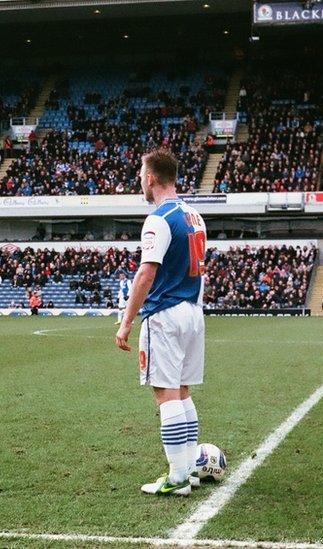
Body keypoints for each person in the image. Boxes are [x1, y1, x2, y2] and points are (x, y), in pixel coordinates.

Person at [114, 149, 207, 497]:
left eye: (141, 173)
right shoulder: (194, 215)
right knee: (182, 393)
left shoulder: (159, 218)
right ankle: (190, 470)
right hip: (192, 312)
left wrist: (126, 323)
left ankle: (178, 477)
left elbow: (145, 274)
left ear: (151, 177)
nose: (139, 178)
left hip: (165, 315)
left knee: (165, 395)